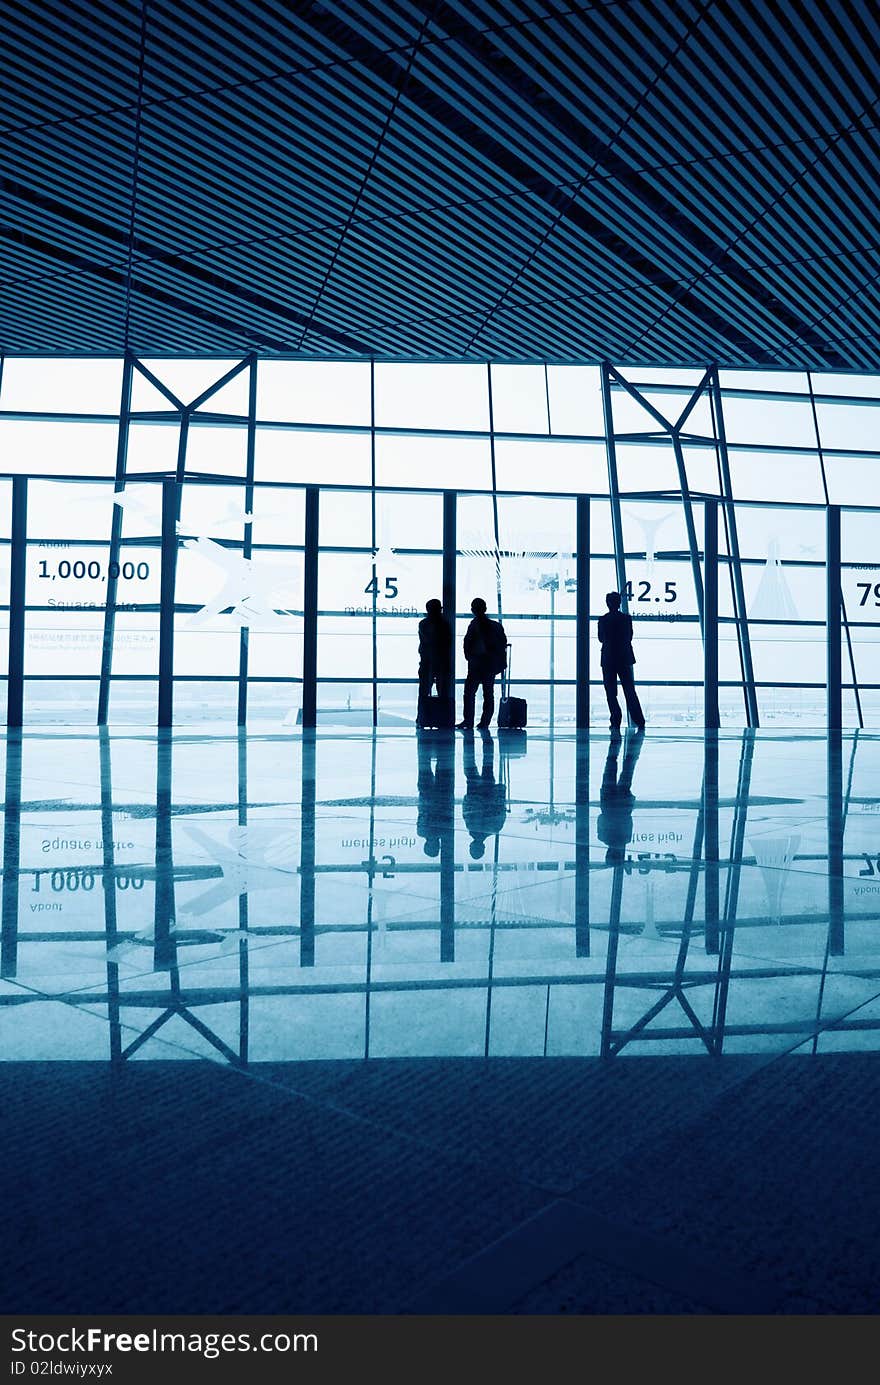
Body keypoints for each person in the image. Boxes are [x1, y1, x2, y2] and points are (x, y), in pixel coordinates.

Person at [457, 597, 507, 730]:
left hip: (478, 664)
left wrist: (470, 657)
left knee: (470, 694)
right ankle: (484, 722)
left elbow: (467, 643)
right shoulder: (494, 626)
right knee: (487, 694)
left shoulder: (474, 625)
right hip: (487, 665)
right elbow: (502, 644)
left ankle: (469, 721)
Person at [598, 591, 645, 730]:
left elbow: (601, 638)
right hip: (624, 658)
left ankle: (616, 718)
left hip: (608, 658)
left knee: (611, 692)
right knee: (629, 690)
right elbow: (629, 637)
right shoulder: (626, 619)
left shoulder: (603, 620)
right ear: (619, 603)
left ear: (608, 603)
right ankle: (638, 719)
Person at [462, 729, 507, 858]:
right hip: (474, 792)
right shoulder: (471, 826)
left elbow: (500, 809)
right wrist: (467, 798)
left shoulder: (495, 828)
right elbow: (466, 810)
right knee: (470, 765)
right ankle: (469, 741)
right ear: (472, 846)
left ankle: (487, 740)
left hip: (489, 791)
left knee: (488, 764)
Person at [416, 598, 453, 727]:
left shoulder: (424, 624)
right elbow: (444, 643)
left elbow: (429, 641)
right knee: (441, 691)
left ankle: (422, 718)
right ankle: (441, 718)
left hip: (428, 662)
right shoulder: (445, 625)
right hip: (440, 662)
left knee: (424, 691)